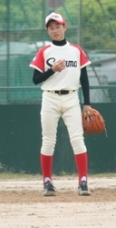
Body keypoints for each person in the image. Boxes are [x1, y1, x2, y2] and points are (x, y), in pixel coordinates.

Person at [29, 12, 93, 197]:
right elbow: (36, 79)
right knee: (48, 140)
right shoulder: (45, 51)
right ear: (47, 31)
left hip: (72, 98)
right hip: (50, 98)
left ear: (65, 27)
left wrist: (87, 104)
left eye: (58, 26)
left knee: (77, 139)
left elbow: (84, 78)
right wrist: (52, 70)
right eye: (51, 28)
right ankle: (47, 182)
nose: (55, 30)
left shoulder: (76, 50)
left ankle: (83, 181)